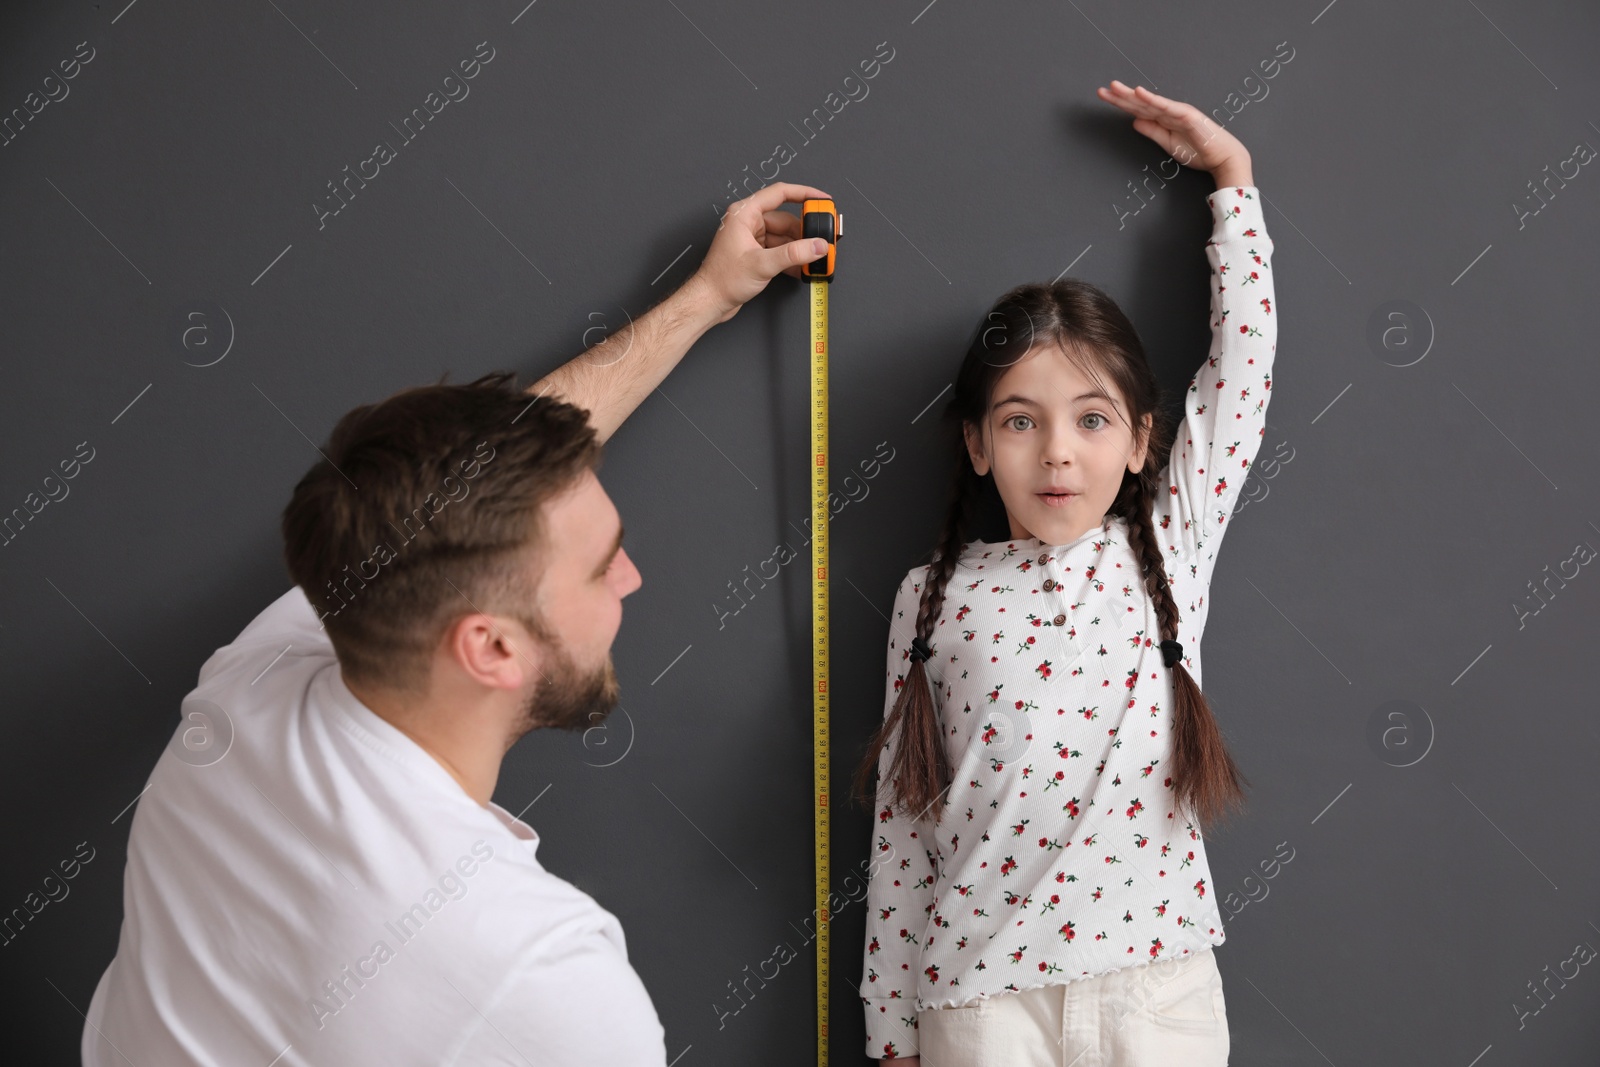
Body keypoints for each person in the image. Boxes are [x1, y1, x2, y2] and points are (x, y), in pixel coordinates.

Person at [80, 182, 835, 1067]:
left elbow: (473, 494)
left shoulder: (254, 685)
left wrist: (704, 299)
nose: (633, 577)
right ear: (491, 647)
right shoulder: (539, 974)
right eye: (603, 565)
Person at [853, 80, 1276, 1065]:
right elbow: (902, 827)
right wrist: (889, 1025)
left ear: (1139, 443)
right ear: (974, 444)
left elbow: (1241, 374)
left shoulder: (1164, 549)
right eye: (1019, 420)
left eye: (1091, 420)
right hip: (979, 1002)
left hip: (1157, 986)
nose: (1056, 453)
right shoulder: (932, 597)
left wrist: (1231, 180)